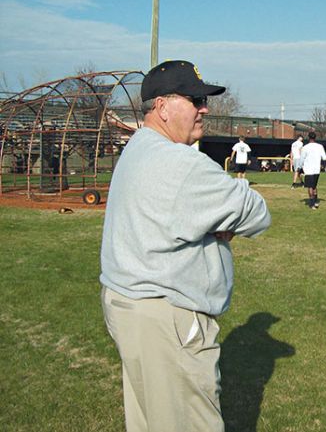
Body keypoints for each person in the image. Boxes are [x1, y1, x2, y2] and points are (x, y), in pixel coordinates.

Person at [99, 60, 271, 432]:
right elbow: (257, 213)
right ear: (162, 107)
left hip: (130, 307)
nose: (204, 108)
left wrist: (216, 217)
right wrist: (224, 216)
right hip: (168, 319)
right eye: (195, 99)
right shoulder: (181, 164)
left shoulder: (139, 147)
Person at [300, 131, 326, 209]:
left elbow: (302, 159)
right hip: (316, 169)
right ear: (315, 137)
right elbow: (324, 158)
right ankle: (315, 202)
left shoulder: (305, 147)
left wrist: (299, 167)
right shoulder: (320, 146)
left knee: (310, 187)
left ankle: (312, 204)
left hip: (308, 170)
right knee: (314, 186)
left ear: (308, 138)